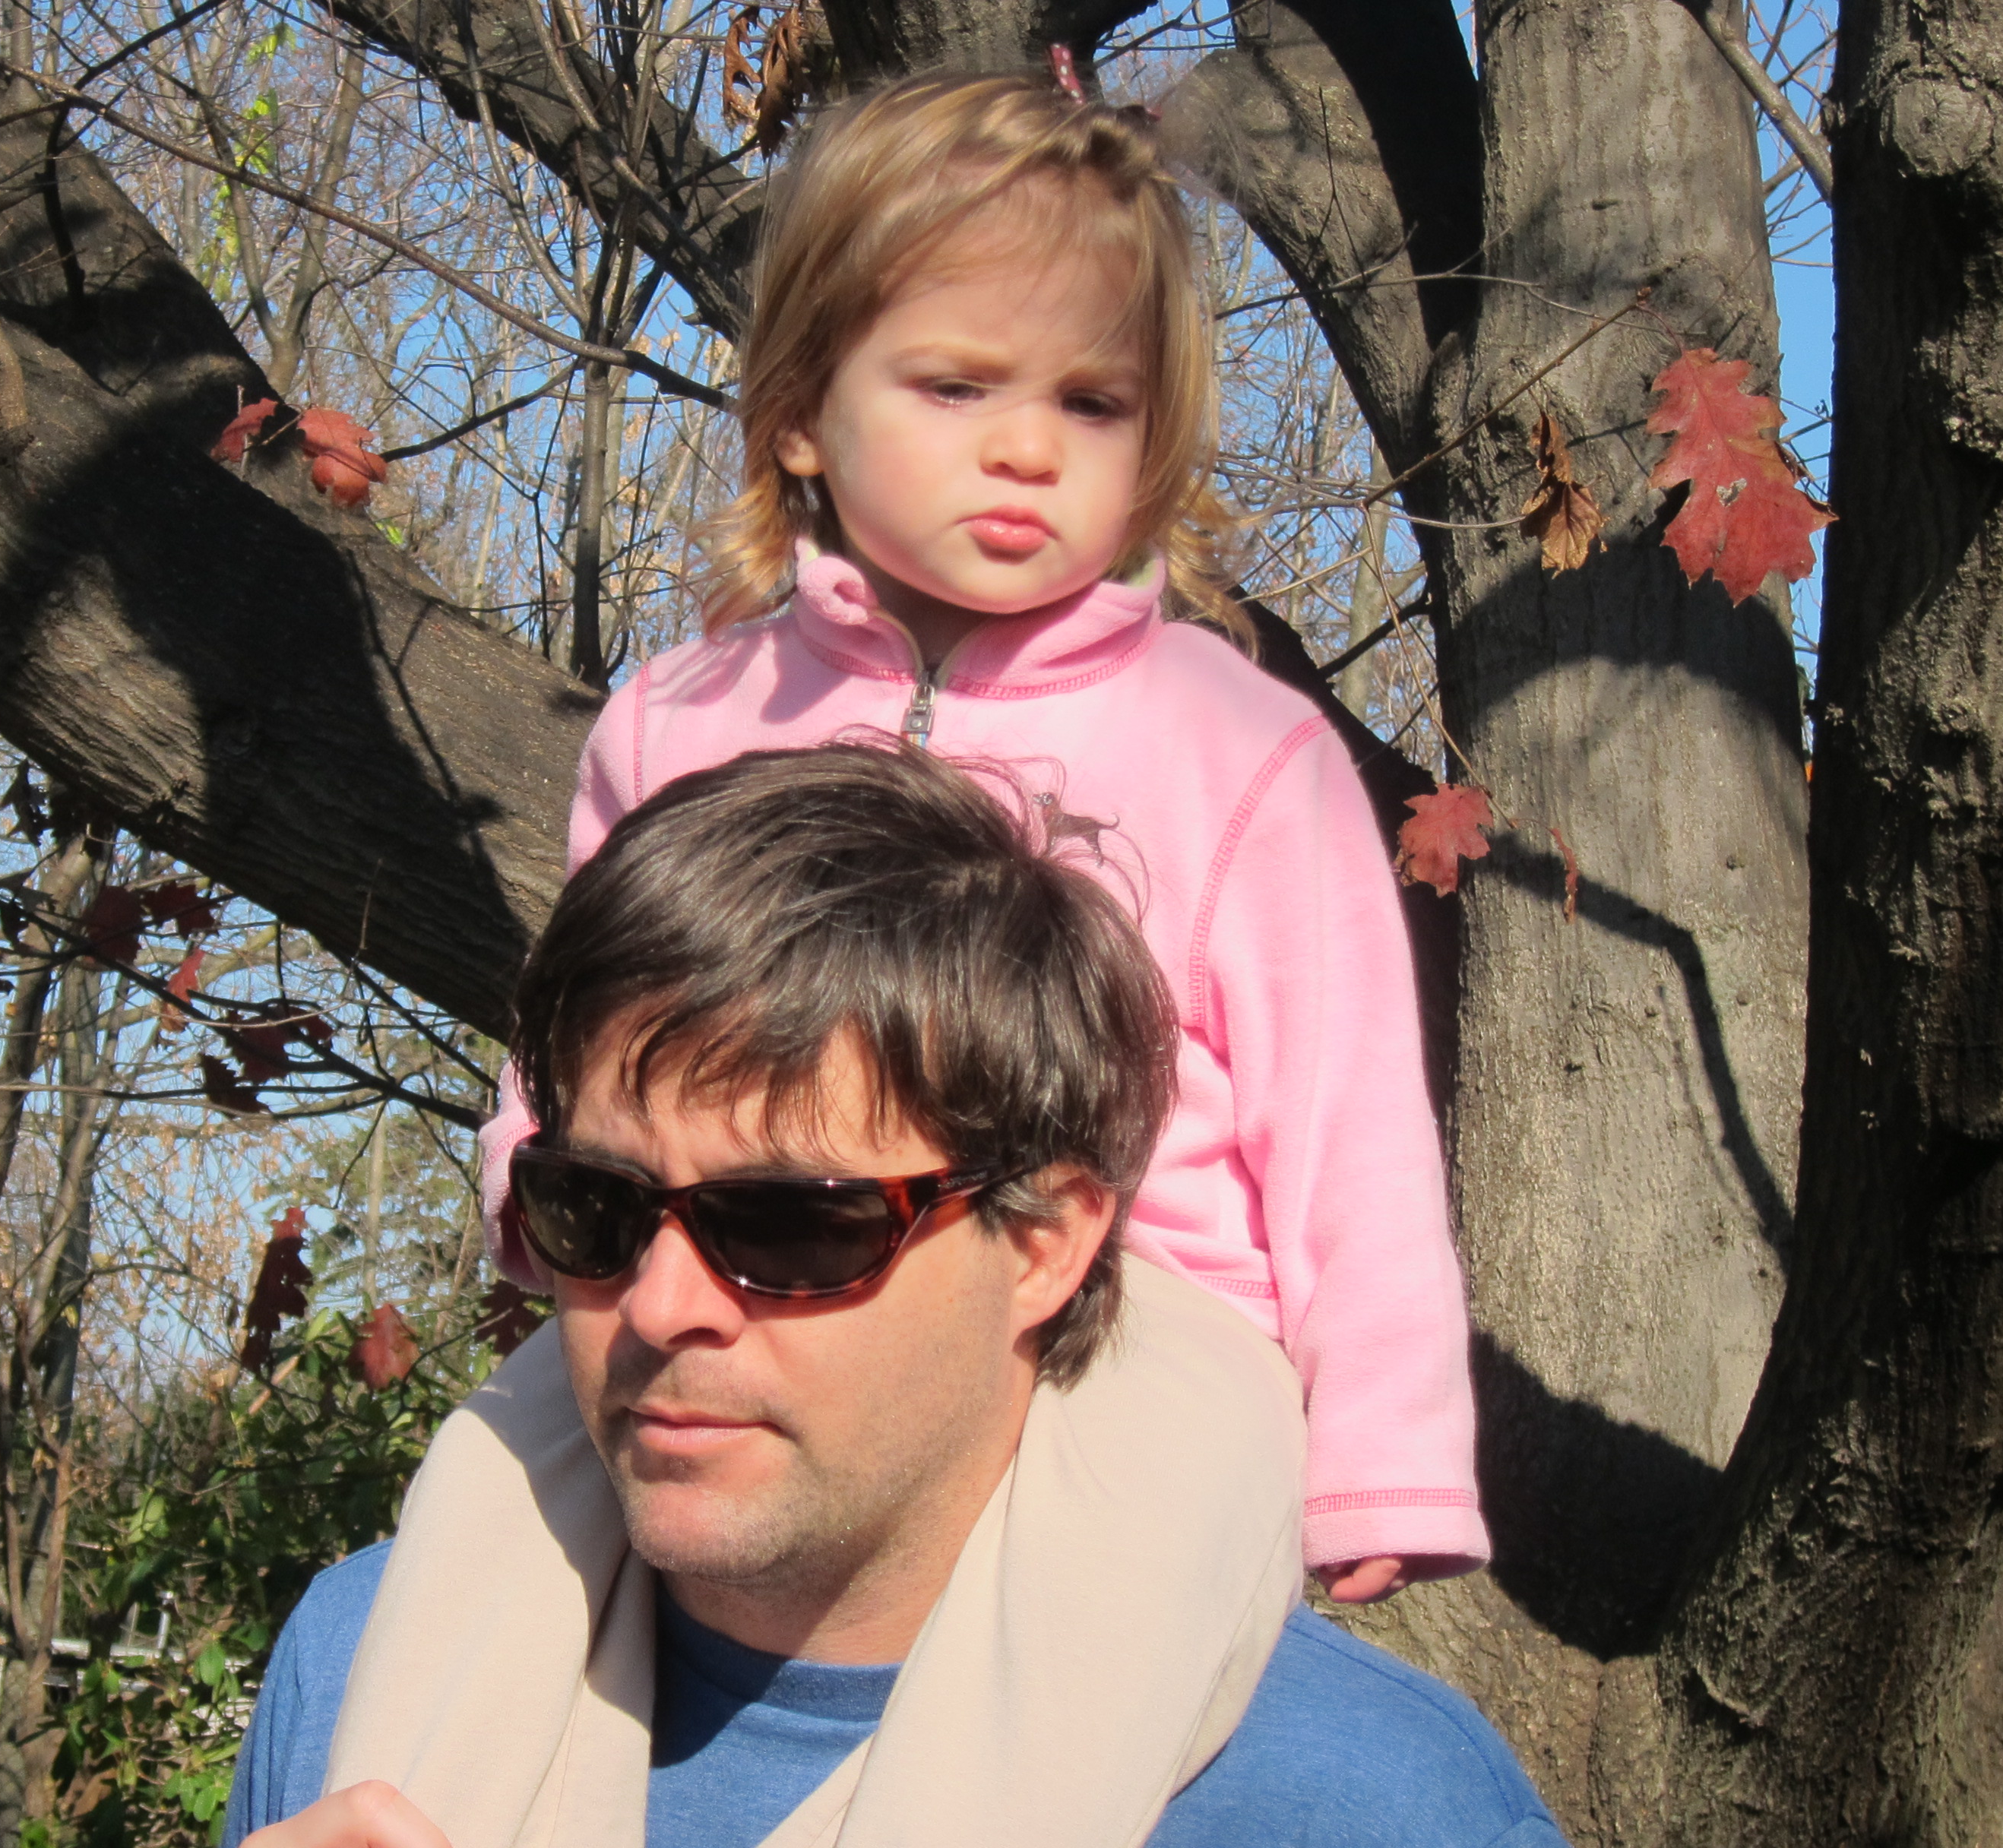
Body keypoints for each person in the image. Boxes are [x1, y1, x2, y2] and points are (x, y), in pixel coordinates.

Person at [474, 71, 1483, 1604]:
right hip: (754, 1290)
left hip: (1140, 1331)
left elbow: (1350, 1132)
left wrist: (1380, 1447)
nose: (1027, 448)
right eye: (956, 387)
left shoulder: (1237, 746)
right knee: (488, 1518)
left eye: (1091, 403)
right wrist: (546, 1196)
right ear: (801, 412)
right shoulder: (683, 720)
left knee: (1051, 1675)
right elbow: (574, 1033)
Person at [224, 742, 1562, 1848]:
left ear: (1046, 1242)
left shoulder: (1363, 1805)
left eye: (792, 1226)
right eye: (596, 1207)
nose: (661, 1305)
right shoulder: (360, 1681)